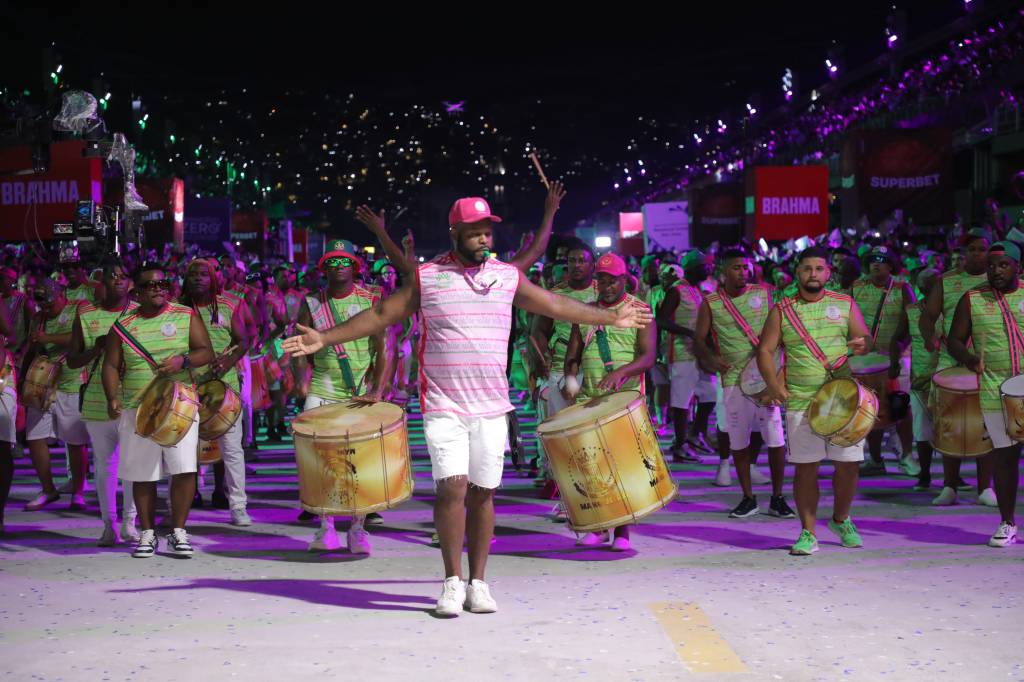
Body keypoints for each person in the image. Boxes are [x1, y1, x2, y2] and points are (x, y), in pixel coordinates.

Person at [283, 192, 652, 617]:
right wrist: (325, 337)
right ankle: (451, 582)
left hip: (492, 407)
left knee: (483, 493)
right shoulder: (428, 276)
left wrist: (611, 317)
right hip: (443, 405)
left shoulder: (506, 277)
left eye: (487, 231)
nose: (482, 239)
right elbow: (383, 313)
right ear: (454, 232)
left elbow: (553, 304)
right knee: (452, 488)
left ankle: (479, 582)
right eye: (474, 232)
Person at [757, 247, 872, 556]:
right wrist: (772, 384)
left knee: (848, 466)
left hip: (842, 398)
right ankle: (808, 532)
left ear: (827, 273)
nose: (813, 274)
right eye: (807, 269)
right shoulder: (782, 309)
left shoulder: (844, 304)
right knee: (806, 469)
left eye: (819, 269)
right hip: (801, 400)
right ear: (798, 273)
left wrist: (861, 345)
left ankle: (841, 519)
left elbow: (864, 337)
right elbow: (765, 351)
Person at [102, 264, 214, 558]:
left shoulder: (184, 314)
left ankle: (178, 531)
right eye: (150, 285)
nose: (158, 289)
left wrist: (183, 361)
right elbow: (111, 365)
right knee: (142, 473)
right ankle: (148, 533)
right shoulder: (123, 325)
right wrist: (112, 396)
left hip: (180, 404)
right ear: (136, 291)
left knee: (184, 468)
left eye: (163, 284)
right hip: (138, 409)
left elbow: (206, 351)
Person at [290, 239, 389, 553]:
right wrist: (300, 379)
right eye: (331, 262)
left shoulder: (372, 297)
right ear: (323, 268)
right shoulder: (312, 302)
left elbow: (385, 349)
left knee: (358, 463)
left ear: (355, 265)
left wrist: (377, 390)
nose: (338, 267)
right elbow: (296, 345)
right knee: (318, 461)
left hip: (359, 391)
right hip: (322, 387)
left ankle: (357, 529)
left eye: (343, 261)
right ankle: (325, 527)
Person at [563, 253, 656, 551]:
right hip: (590, 400)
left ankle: (623, 532)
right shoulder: (586, 311)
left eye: (612, 280)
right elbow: (573, 354)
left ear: (624, 279)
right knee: (594, 466)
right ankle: (600, 526)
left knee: (622, 466)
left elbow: (648, 356)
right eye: (601, 279)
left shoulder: (640, 310)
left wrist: (622, 372)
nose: (606, 285)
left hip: (624, 402)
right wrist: (571, 379)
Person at [695, 248, 794, 519]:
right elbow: (698, 339)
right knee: (738, 441)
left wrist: (781, 371)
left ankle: (777, 497)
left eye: (746, 267)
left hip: (766, 378)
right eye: (737, 267)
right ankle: (748, 498)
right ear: (723, 272)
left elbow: (785, 330)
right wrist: (710, 359)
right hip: (733, 381)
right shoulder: (711, 303)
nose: (744, 272)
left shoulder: (765, 293)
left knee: (775, 439)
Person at [947, 240, 1023, 547]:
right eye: (992, 266)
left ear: (1018, 265)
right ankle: (1007, 522)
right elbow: (953, 339)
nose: (996, 271)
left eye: (1004, 265)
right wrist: (968, 359)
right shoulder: (972, 298)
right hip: (996, 392)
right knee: (1005, 458)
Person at [919, 229, 996, 506]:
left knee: (986, 423)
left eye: (981, 248)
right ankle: (949, 486)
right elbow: (928, 316)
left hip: (987, 362)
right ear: (964, 254)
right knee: (947, 422)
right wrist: (929, 336)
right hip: (950, 362)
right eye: (972, 249)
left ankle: (984, 488)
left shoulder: (997, 280)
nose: (977, 253)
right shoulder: (947, 281)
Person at [67, 259, 139, 544]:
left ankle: (130, 523)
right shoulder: (86, 315)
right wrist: (95, 350)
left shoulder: (140, 314)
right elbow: (72, 360)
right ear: (102, 282)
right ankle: (109, 524)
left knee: (133, 464)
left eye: (123, 276)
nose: (118, 280)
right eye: (112, 276)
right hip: (97, 402)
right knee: (104, 464)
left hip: (133, 399)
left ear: (131, 283)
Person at [180, 258, 253, 526]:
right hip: (187, 386)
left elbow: (244, 339)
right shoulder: (177, 309)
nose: (198, 278)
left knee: (231, 449)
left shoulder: (229, 303)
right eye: (193, 274)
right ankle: (181, 504)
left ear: (213, 278)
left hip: (224, 388)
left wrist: (229, 361)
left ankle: (238, 506)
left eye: (203, 274)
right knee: (184, 448)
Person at [21, 277, 90, 511]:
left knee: (74, 440)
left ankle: (78, 492)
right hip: (43, 384)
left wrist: (48, 338)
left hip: (71, 381)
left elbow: (81, 340)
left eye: (50, 303)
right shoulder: (39, 317)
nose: (46, 309)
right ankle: (48, 489)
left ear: (61, 295)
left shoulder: (78, 308)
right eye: (43, 305)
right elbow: (34, 348)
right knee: (35, 437)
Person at [851, 246, 918, 477]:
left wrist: (898, 351)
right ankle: (876, 459)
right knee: (871, 409)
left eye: (882, 261)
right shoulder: (857, 287)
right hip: (865, 361)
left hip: (896, 358)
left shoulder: (902, 288)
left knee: (900, 407)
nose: (876, 265)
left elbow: (912, 321)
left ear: (891, 266)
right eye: (872, 261)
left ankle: (907, 456)